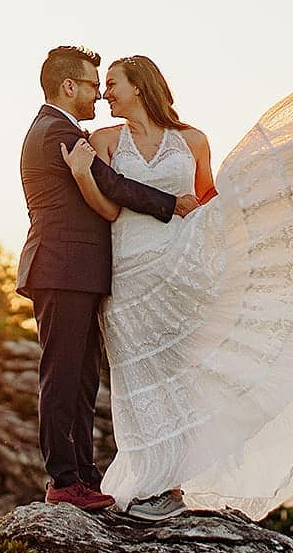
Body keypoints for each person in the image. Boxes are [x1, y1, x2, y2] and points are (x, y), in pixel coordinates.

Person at [62, 56, 293, 522]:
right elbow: (109, 209)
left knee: (178, 374)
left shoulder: (193, 140)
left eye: (113, 84)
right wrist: (82, 175)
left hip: (181, 268)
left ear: (140, 86)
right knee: (137, 376)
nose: (104, 94)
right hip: (131, 272)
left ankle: (170, 484)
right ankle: (145, 485)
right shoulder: (104, 141)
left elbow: (206, 202)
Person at [16, 45, 200, 511]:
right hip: (62, 268)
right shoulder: (56, 130)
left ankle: (83, 478)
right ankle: (63, 480)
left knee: (80, 380)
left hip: (77, 272)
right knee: (62, 377)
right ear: (68, 86)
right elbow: (113, 186)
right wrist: (170, 203)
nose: (98, 95)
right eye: (93, 85)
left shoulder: (60, 129)